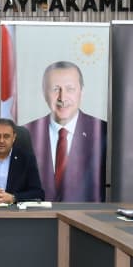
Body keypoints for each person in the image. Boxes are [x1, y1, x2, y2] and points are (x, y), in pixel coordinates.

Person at [25, 61, 107, 203]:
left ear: (81, 91)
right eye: (55, 89)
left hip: (88, 216)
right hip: (36, 215)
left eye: (70, 89)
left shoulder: (104, 133)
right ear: (44, 93)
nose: (62, 98)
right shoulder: (24, 134)